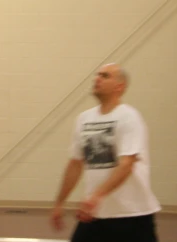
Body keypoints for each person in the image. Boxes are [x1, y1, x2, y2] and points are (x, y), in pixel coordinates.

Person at [50, 62, 161, 242]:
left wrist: (96, 196)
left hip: (132, 215)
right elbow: (75, 164)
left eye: (105, 76)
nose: (97, 79)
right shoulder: (84, 119)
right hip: (95, 214)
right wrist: (59, 203)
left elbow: (126, 165)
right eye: (97, 75)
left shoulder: (129, 117)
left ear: (119, 86)